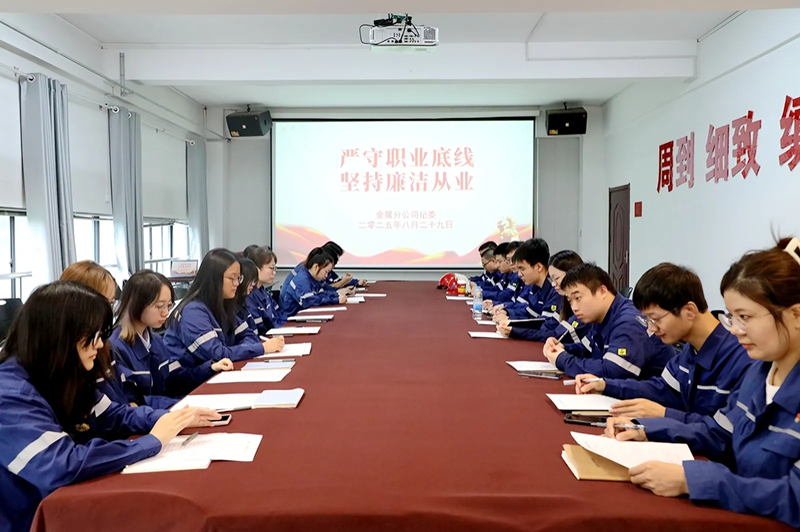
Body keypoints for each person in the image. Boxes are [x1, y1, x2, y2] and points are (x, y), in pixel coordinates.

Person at [603, 237, 800, 528]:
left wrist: (693, 479)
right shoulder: (760, 375)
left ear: (796, 314)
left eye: (745, 317)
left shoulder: (746, 363)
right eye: (732, 317)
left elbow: (793, 498)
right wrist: (643, 428)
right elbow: (719, 432)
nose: (736, 330)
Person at [0, 281, 219, 532]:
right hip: (27, 520)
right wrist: (151, 442)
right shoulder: (9, 394)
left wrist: (173, 417)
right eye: (93, 336)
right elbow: (61, 465)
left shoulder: (60, 372)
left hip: (59, 506)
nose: (100, 345)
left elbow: (113, 414)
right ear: (60, 335)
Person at [573, 263, 752, 422]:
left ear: (689, 311)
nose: (652, 328)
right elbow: (662, 388)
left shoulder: (741, 358)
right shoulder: (691, 350)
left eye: (655, 319)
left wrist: (663, 415)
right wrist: (605, 385)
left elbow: (722, 434)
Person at [109, 270, 233, 410]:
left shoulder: (155, 341)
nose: (166, 312)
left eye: (168, 305)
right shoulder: (116, 347)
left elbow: (175, 381)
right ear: (137, 304)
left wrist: (210, 368)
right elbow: (135, 402)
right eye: (159, 306)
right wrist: (180, 405)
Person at [543, 263, 675, 379]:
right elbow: (587, 349)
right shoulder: (600, 316)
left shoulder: (628, 322)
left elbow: (613, 371)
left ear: (602, 291)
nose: (574, 307)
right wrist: (561, 348)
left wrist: (563, 360)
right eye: (570, 301)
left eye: (578, 298)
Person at [164, 249, 284, 369]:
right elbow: (218, 355)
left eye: (239, 278)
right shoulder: (193, 312)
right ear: (214, 279)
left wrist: (241, 349)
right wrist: (262, 348)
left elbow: (249, 335)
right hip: (192, 379)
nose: (237, 283)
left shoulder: (223, 304)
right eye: (232, 278)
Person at [60, 261, 128, 406]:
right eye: (104, 303)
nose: (108, 311)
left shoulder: (104, 346)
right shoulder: (67, 358)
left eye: (111, 303)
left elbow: (117, 408)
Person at [498, 250, 591, 344]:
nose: (553, 284)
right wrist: (510, 321)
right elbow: (546, 324)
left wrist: (514, 330)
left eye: (556, 278)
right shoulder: (561, 298)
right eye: (552, 279)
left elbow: (556, 335)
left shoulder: (564, 298)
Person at [493, 238, 559, 324]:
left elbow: (545, 326)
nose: (519, 274)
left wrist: (510, 323)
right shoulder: (536, 287)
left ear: (538, 267)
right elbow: (529, 313)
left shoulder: (556, 289)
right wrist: (507, 312)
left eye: (522, 269)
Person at [279, 247, 350, 316]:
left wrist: (337, 295)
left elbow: (321, 293)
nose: (326, 276)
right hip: (291, 318)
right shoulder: (302, 280)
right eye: (326, 272)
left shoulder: (313, 278)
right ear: (316, 267)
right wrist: (336, 300)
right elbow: (310, 301)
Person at [245, 246, 289, 335]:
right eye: (271, 268)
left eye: (275, 269)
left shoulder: (263, 291)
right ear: (256, 269)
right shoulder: (249, 295)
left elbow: (278, 314)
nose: (274, 272)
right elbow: (260, 329)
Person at [234, 257, 260, 334]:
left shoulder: (242, 302)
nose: (253, 284)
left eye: (254, 281)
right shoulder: (233, 307)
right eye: (251, 280)